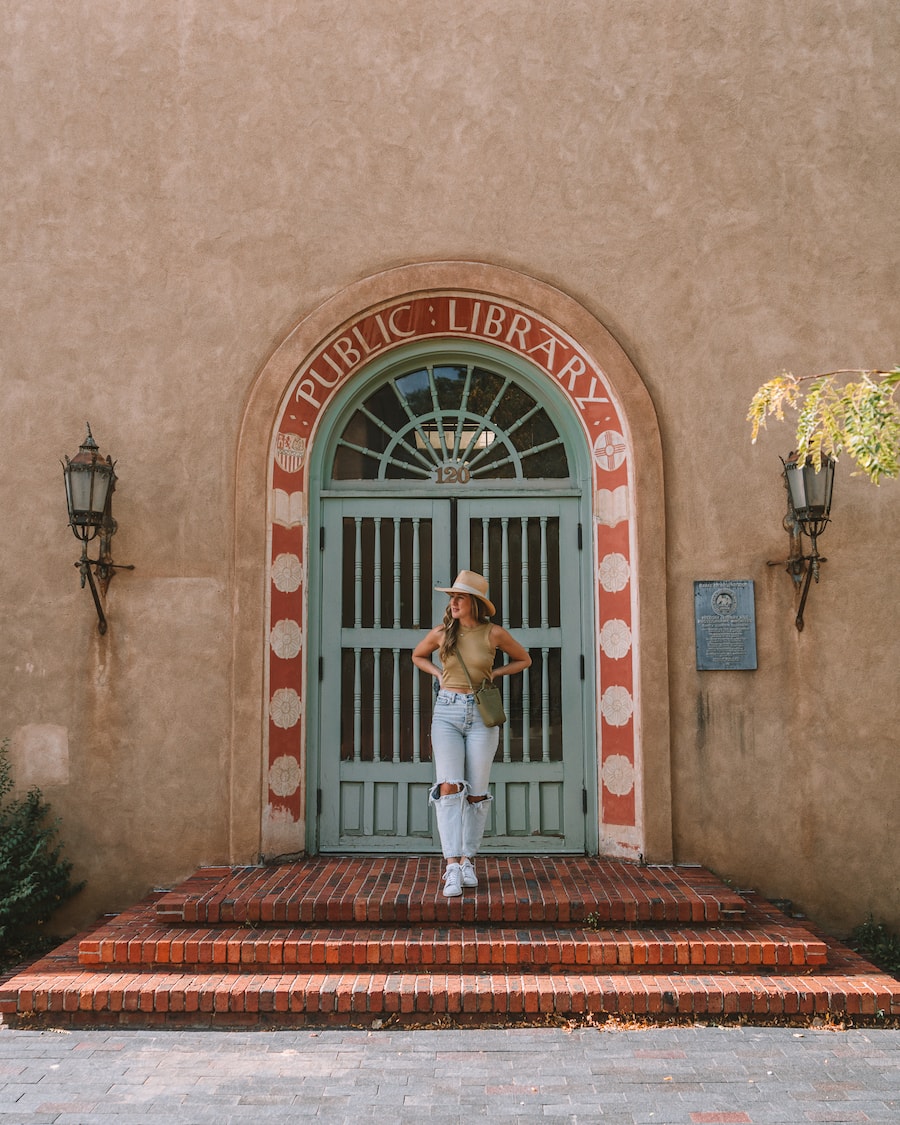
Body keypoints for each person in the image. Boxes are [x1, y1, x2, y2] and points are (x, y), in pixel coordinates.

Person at [412, 570, 531, 897]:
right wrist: (437, 672)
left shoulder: (494, 634)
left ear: (474, 603)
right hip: (447, 711)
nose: (453, 603)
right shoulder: (442, 633)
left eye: (459, 597)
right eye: (451, 597)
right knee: (449, 786)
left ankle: (467, 861)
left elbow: (524, 659)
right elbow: (417, 655)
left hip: (481, 714)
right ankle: (451, 865)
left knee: (476, 792)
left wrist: (495, 673)